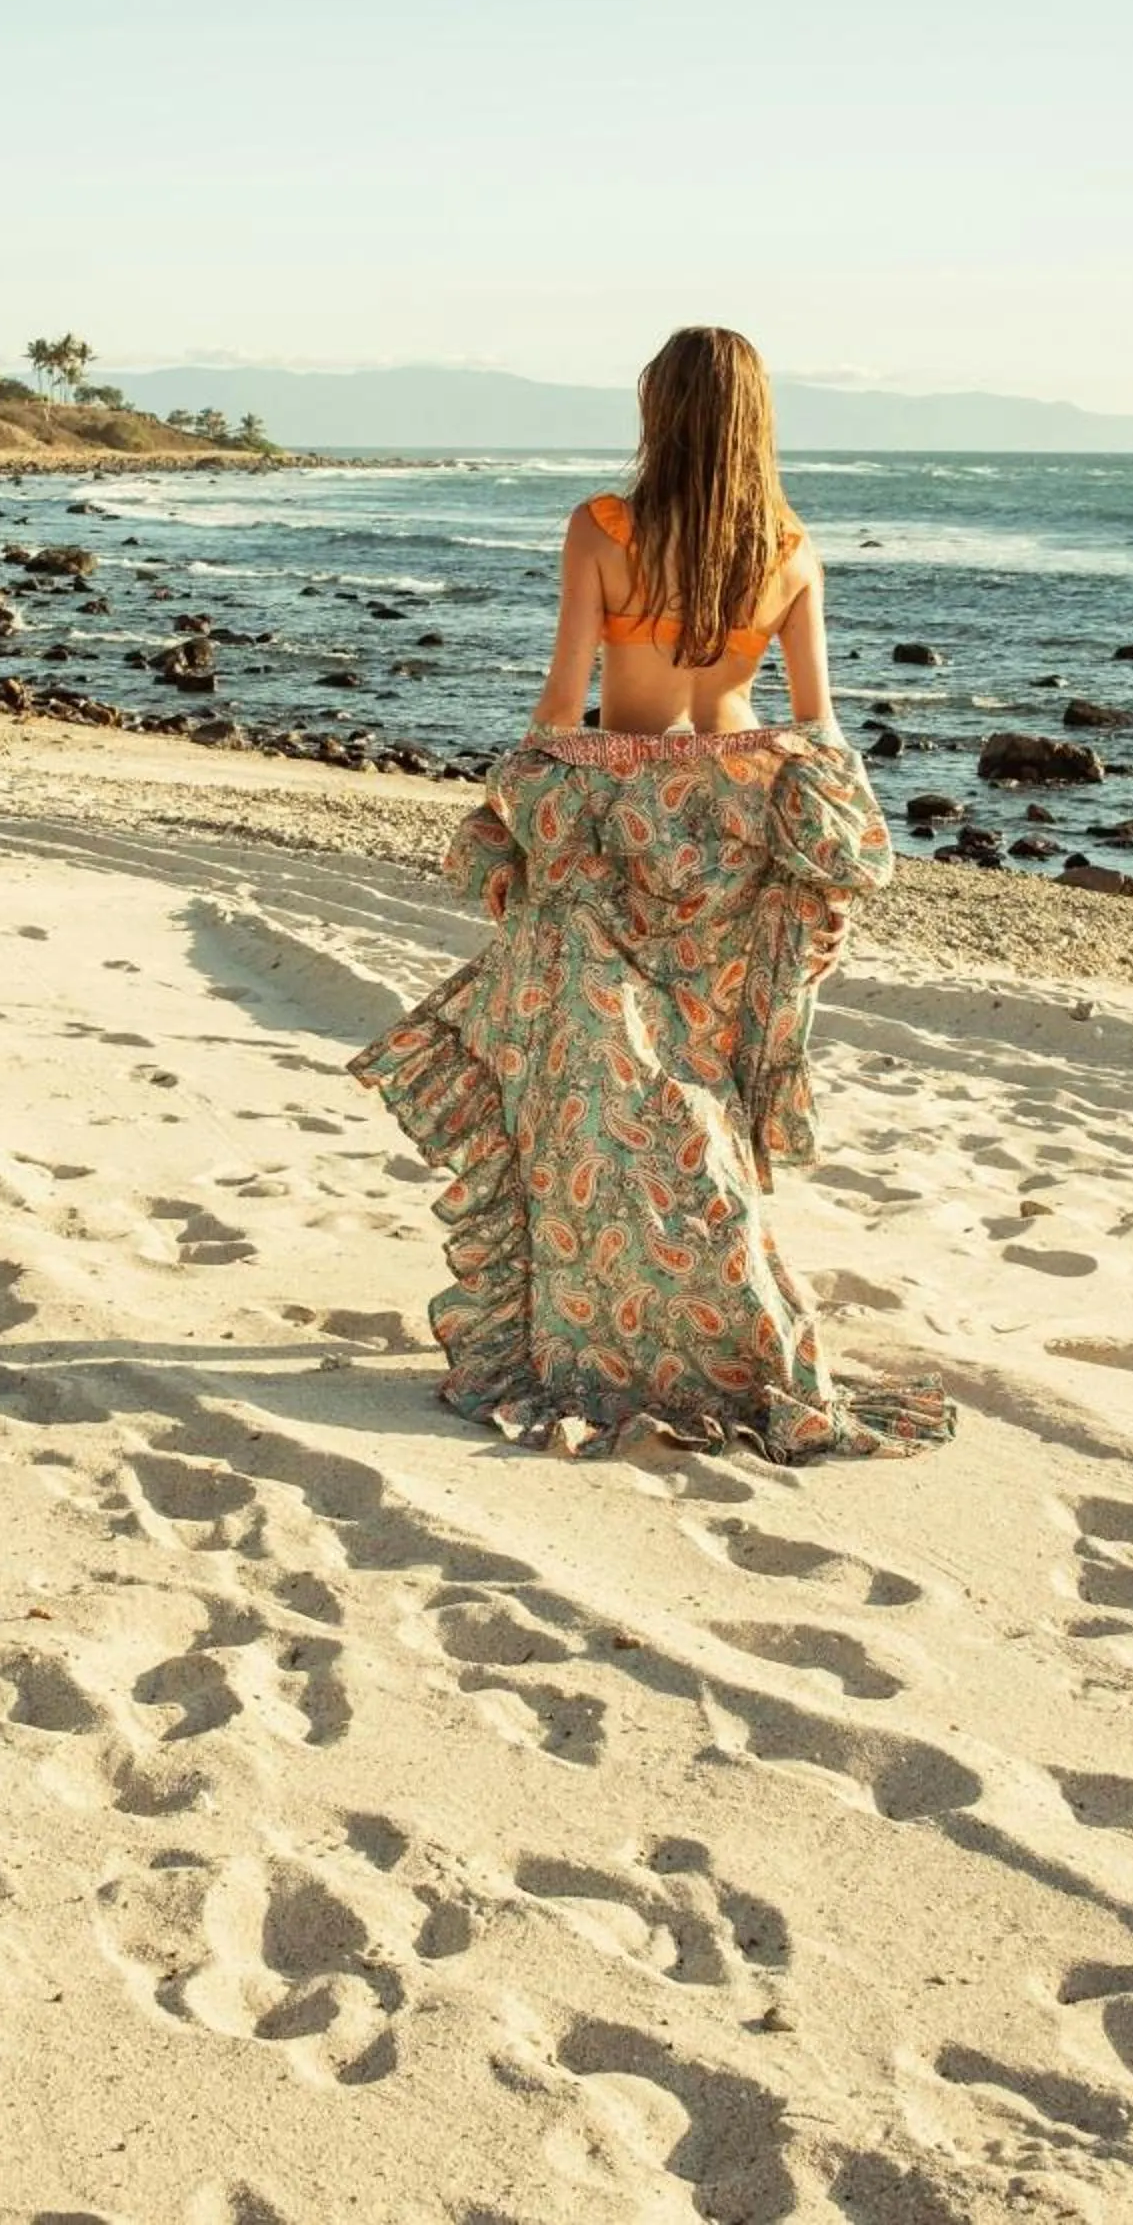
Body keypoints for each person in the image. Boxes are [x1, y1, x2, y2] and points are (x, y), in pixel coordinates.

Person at [349, 326, 954, 1464]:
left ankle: (603, 1316)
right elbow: (814, 729)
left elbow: (563, 702)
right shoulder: (789, 547)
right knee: (699, 1086)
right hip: (732, 831)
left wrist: (512, 816)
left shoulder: (604, 529)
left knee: (597, 1087)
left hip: (621, 829)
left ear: (660, 412)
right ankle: (698, 1303)